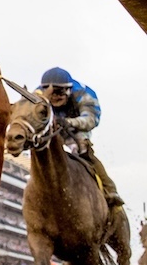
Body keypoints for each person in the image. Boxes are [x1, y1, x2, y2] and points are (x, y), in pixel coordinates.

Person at [39, 67, 121, 207]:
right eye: (50, 93)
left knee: (81, 147)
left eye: (59, 92)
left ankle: (109, 188)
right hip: (52, 126)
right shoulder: (37, 95)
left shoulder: (84, 94)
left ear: (69, 90)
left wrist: (70, 122)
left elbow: (91, 120)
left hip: (77, 128)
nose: (54, 97)